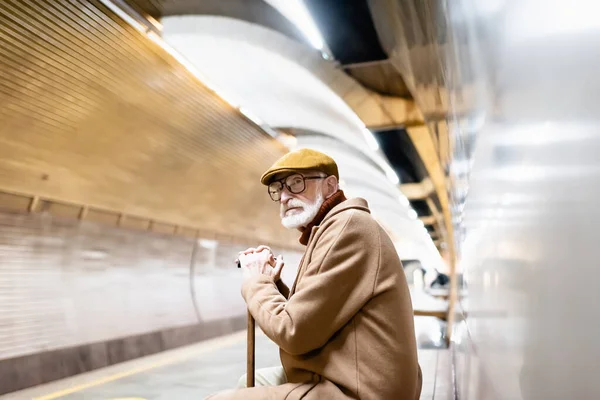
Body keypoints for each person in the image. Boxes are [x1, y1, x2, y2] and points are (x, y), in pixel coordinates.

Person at [207, 148, 422, 400]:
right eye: (279, 188)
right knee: (249, 382)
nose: (285, 196)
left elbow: (294, 332)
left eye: (296, 183)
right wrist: (273, 284)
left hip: (362, 390)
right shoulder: (331, 229)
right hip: (349, 374)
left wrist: (257, 281)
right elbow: (317, 315)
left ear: (330, 186)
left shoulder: (349, 227)